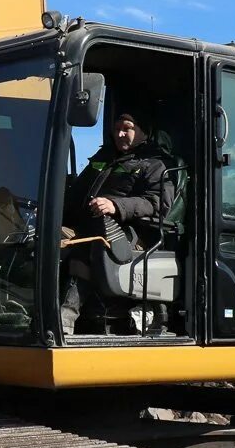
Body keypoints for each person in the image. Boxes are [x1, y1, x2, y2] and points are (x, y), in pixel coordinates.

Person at [60, 112, 176, 333]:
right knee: (41, 237)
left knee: (84, 247)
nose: (120, 134)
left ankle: (65, 318)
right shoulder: (104, 157)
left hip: (130, 232)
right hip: (90, 224)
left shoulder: (156, 163)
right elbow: (77, 192)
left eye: (127, 128)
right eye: (116, 129)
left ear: (144, 131)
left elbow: (157, 203)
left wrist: (116, 206)